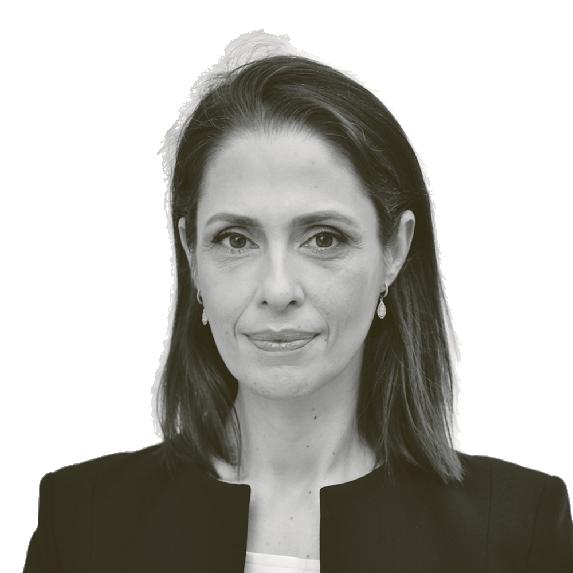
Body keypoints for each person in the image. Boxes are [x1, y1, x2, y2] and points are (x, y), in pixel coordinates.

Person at [23, 35, 573, 572]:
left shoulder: (516, 532)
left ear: (394, 250)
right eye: (236, 239)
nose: (278, 288)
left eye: (324, 238)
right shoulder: (82, 523)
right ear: (191, 253)